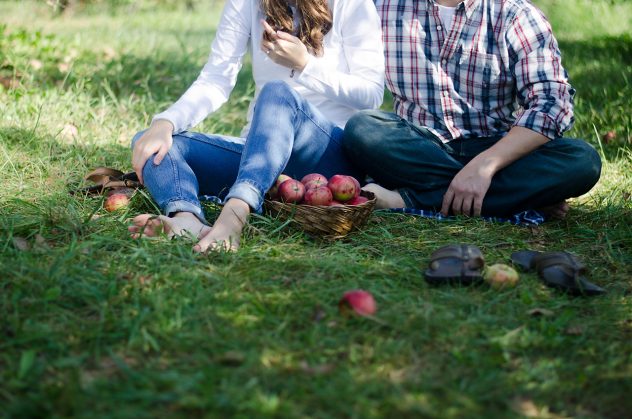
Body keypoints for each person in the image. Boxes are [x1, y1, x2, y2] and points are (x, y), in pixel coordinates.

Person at [128, 0, 384, 251]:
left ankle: (235, 214)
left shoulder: (352, 4)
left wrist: (305, 65)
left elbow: (371, 94)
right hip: (262, 156)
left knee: (277, 93)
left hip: (328, 156)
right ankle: (187, 219)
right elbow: (216, 78)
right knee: (152, 143)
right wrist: (166, 122)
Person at [342, 0, 601, 219]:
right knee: (362, 128)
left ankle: (407, 200)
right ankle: (516, 196)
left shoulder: (516, 14)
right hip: (419, 147)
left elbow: (553, 103)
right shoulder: (381, 7)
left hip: (497, 149)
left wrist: (484, 167)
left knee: (582, 160)